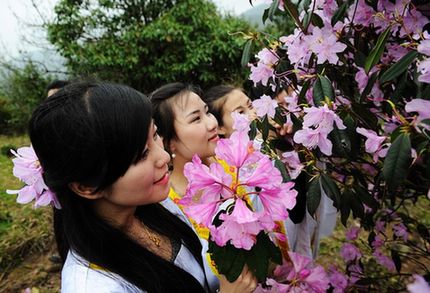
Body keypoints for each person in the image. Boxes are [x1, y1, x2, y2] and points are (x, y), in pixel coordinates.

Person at [28, 81, 257, 292]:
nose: (165, 157)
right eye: (142, 154)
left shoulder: (159, 203)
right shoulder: (95, 286)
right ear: (87, 186)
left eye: (155, 135)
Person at [203, 84, 337, 260]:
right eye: (240, 112)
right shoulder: (227, 168)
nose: (252, 114)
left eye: (250, 106)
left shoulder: (272, 136)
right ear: (220, 128)